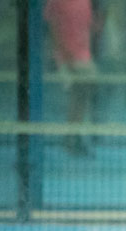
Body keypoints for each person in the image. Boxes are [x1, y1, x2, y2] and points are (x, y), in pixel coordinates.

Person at [43, 0, 99, 156]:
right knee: (79, 95)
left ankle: (73, 136)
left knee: (80, 96)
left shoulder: (85, 2)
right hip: (66, 58)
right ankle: (72, 136)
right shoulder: (56, 2)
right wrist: (63, 58)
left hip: (80, 56)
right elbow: (53, 27)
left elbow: (87, 29)